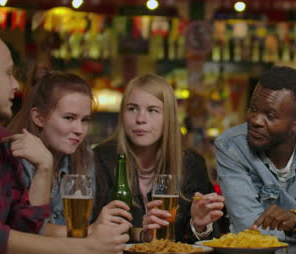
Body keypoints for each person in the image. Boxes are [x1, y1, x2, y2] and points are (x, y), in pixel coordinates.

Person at [0, 32, 129, 254]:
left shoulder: (83, 156)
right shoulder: (13, 150)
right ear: (38, 117)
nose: (79, 129)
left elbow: (25, 226)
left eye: (85, 120)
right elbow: (22, 233)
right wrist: (87, 240)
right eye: (69, 118)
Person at [215, 66, 296, 242]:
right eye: (253, 109)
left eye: (270, 115)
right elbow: (249, 227)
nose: (255, 120)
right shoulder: (231, 146)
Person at [93, 73, 226, 243]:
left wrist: (198, 225)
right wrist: (140, 234)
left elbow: (210, 236)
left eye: (152, 110)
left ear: (168, 118)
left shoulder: (191, 163)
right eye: (132, 108)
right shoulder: (101, 158)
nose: (140, 119)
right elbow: (89, 228)